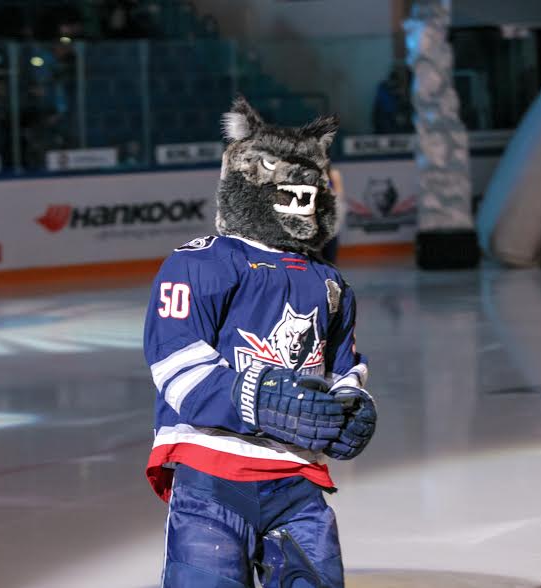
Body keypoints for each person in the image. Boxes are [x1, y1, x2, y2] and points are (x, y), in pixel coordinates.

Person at [144, 96, 377, 587]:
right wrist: (261, 399)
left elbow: (343, 365)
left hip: (296, 481)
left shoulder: (330, 282)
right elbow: (174, 364)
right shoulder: (199, 262)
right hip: (211, 477)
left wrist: (351, 405)